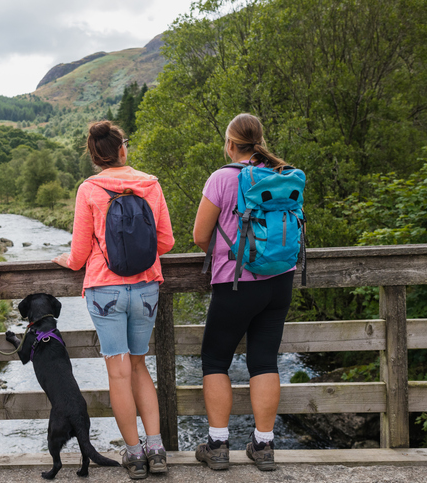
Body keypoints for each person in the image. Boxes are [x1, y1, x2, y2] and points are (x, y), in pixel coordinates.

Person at [53, 121, 175, 480]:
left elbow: (77, 255)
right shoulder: (150, 184)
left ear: (94, 156)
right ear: (123, 148)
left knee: (118, 373)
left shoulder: (89, 189)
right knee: (140, 366)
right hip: (147, 288)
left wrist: (64, 260)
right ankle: (157, 450)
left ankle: (135, 456)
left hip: (105, 290)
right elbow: (165, 243)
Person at [192, 113, 295, 472]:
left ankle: (218, 445)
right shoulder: (281, 174)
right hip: (281, 280)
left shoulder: (222, 178)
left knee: (215, 360)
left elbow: (200, 236)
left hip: (236, 282)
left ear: (231, 143)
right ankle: (263, 446)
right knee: (265, 361)